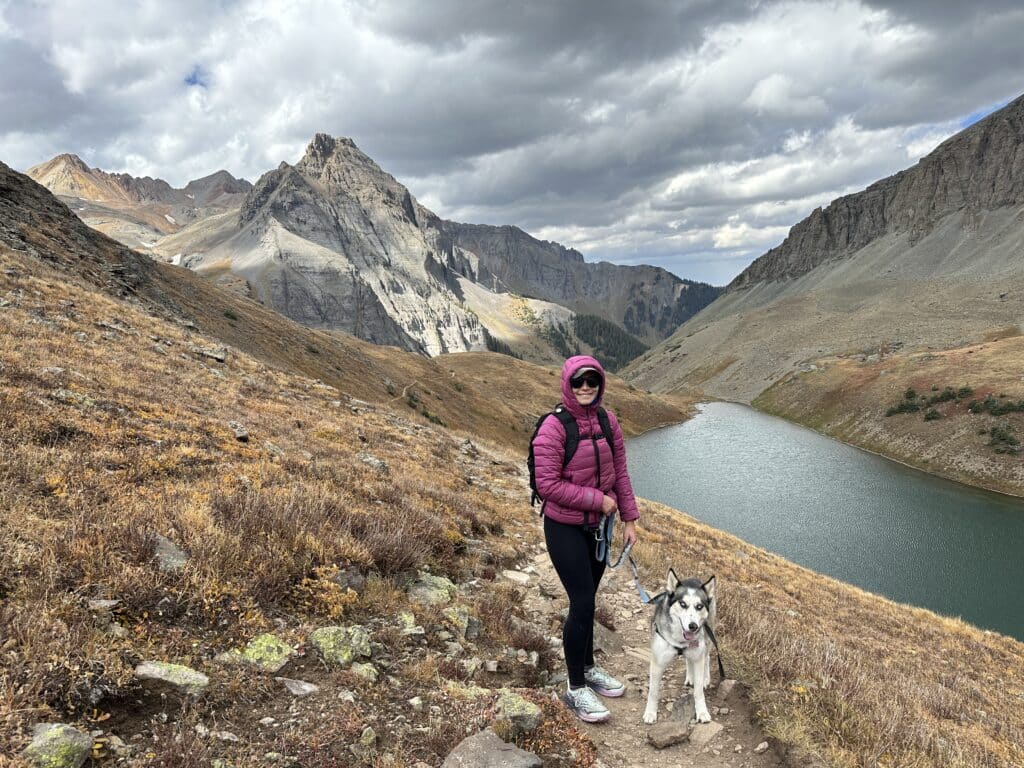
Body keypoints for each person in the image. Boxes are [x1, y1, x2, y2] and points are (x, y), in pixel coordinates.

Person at [532, 355, 639, 723]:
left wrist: (629, 517)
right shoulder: (554, 427)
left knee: (589, 600)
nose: (586, 388)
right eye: (578, 382)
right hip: (564, 527)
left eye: (592, 381)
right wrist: (599, 501)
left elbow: (619, 471)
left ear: (601, 383)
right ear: (567, 384)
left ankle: (589, 667)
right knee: (581, 601)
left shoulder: (608, 422)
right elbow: (547, 485)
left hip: (598, 529)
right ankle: (575, 687)